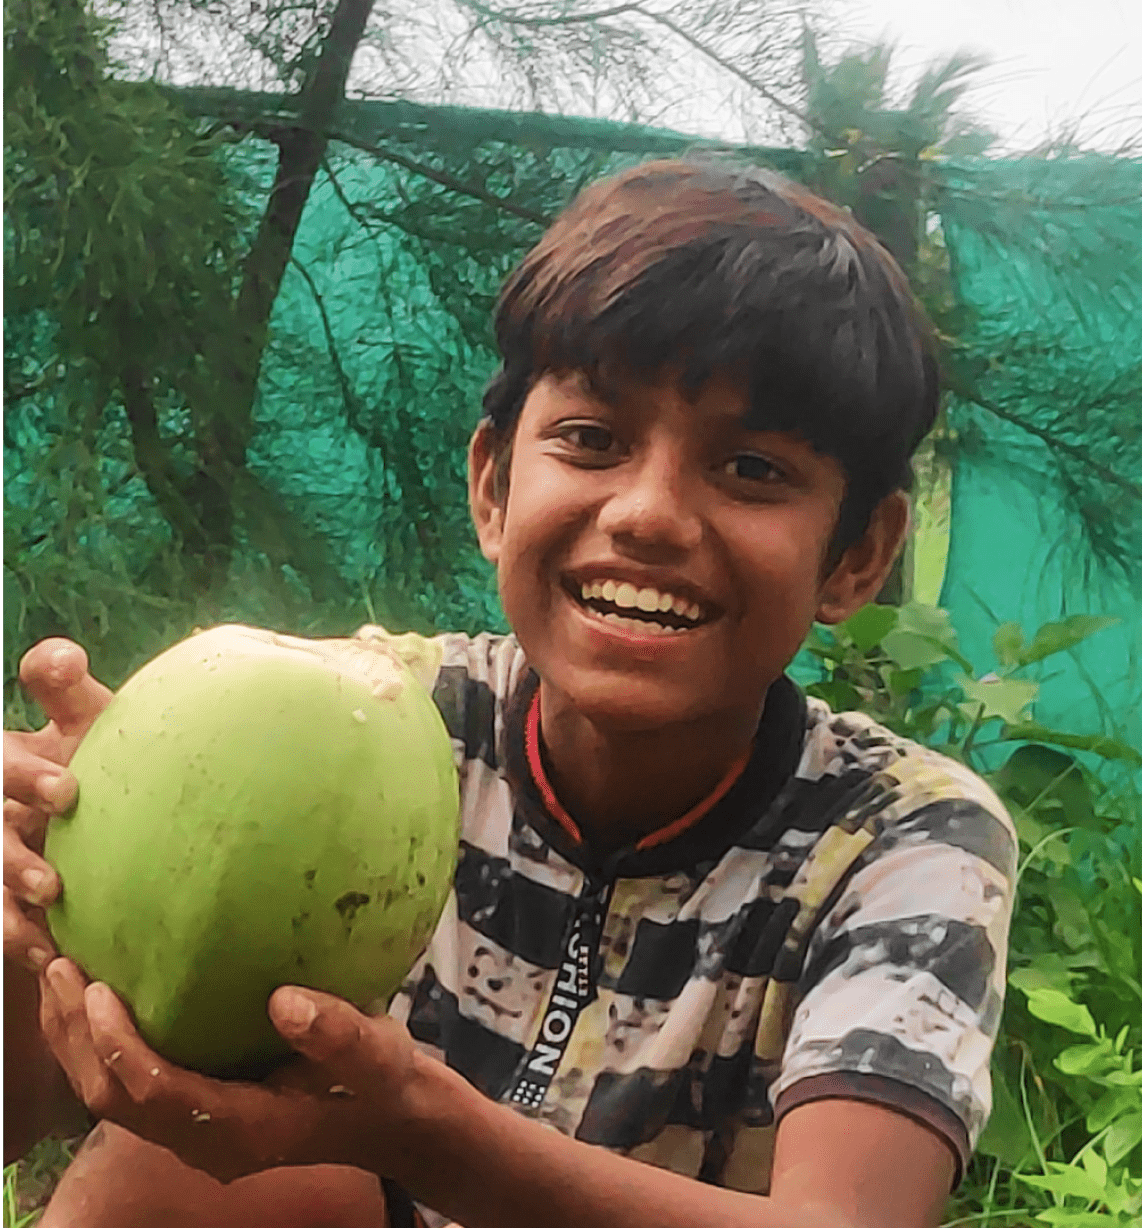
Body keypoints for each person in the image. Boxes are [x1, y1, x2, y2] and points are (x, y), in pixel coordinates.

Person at [3, 158, 1016, 1228]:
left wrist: (420, 1130)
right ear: (492, 484)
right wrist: (38, 904)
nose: (649, 515)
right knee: (167, 1173)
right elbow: (26, 1110)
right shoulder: (369, 721)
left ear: (858, 554)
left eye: (752, 468)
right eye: (592, 439)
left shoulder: (900, 837)